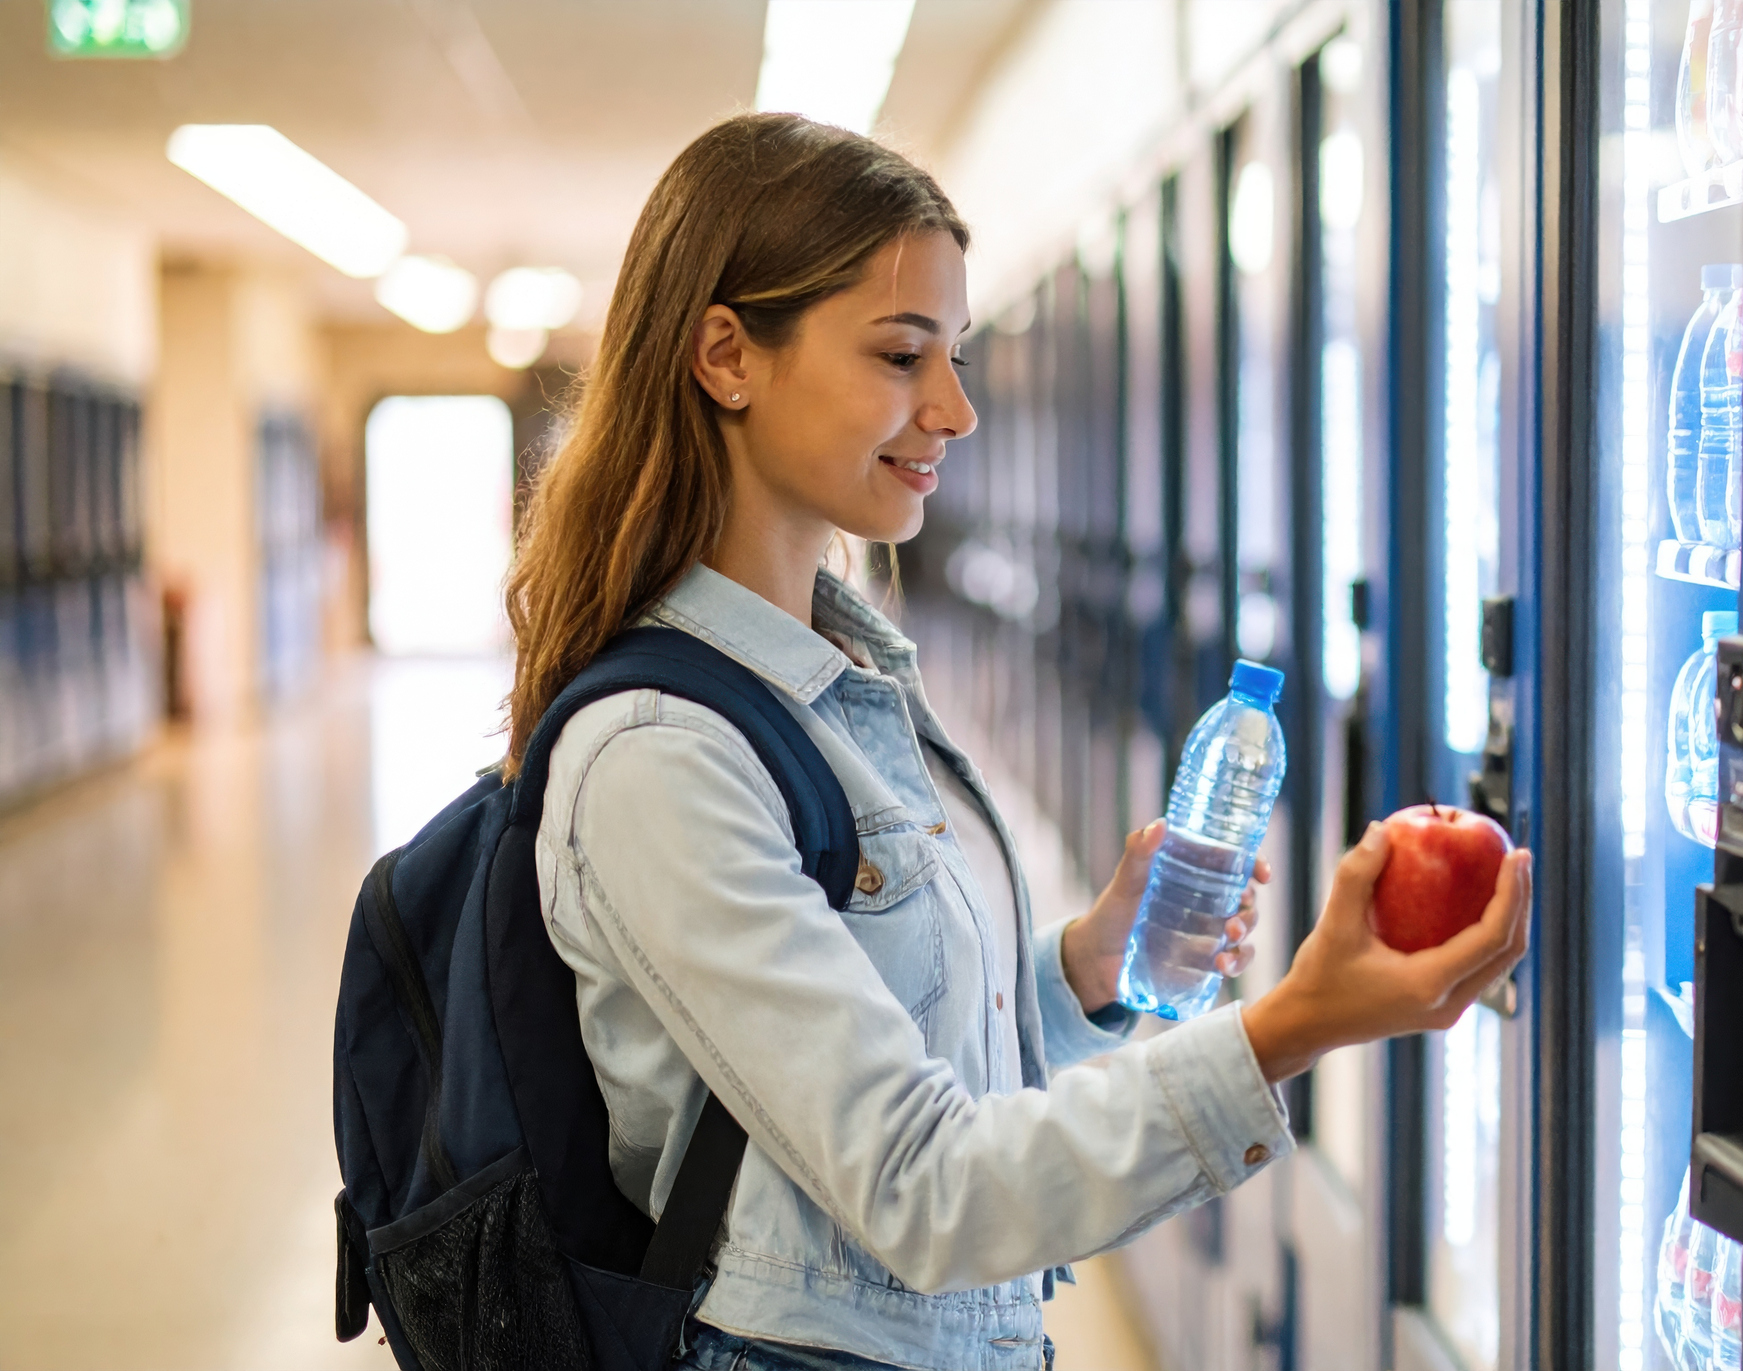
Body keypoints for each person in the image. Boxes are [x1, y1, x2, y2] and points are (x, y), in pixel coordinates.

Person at [504, 113, 1532, 1371]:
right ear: (727, 354)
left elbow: (892, 1057)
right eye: (901, 355)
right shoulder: (661, 756)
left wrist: (1083, 969)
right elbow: (926, 1188)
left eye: (959, 354)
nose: (956, 409)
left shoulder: (840, 685)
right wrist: (1293, 1026)